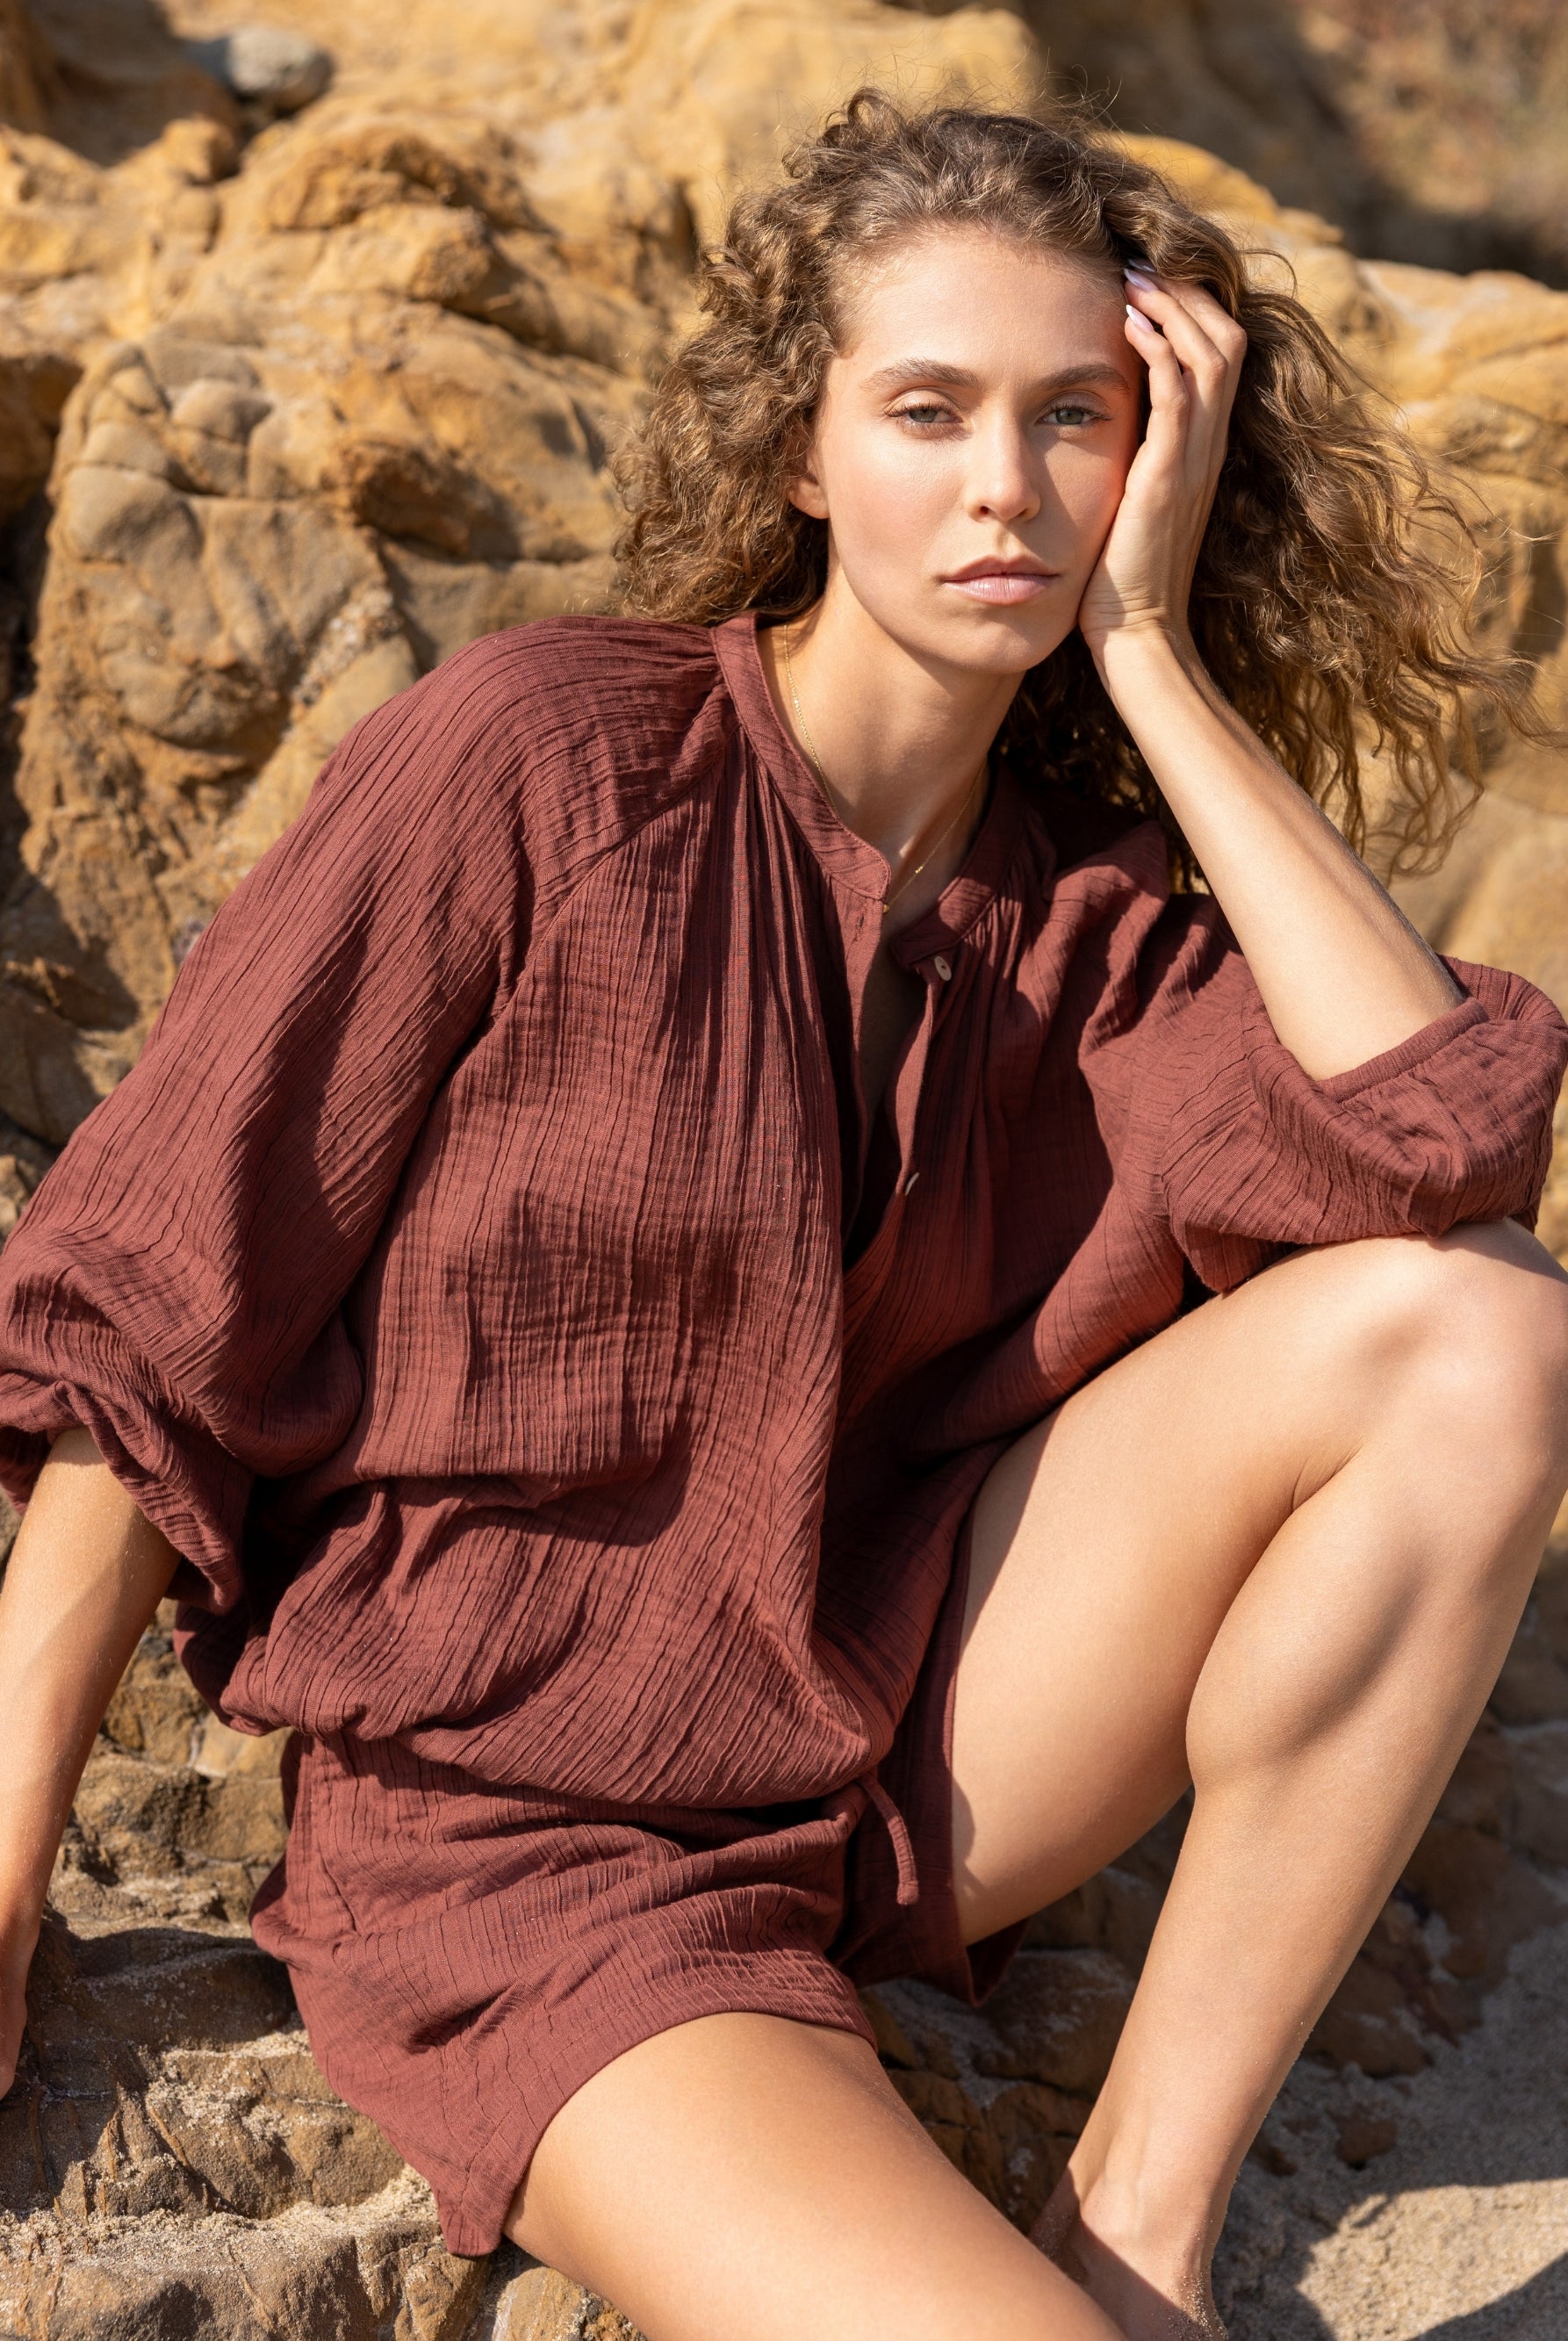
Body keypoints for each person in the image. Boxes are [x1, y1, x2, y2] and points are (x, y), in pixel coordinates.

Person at [0, 90, 1565, 2341]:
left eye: (1074, 416)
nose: (1005, 486)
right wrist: (5, 1850)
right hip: (531, 1856)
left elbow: (1438, 1138)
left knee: (1482, 1328)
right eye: (925, 411)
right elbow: (158, 1302)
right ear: (802, 450)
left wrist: (1150, 655)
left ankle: (1136, 2227)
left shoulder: (1092, 918)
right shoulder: (543, 756)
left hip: (891, 1741)